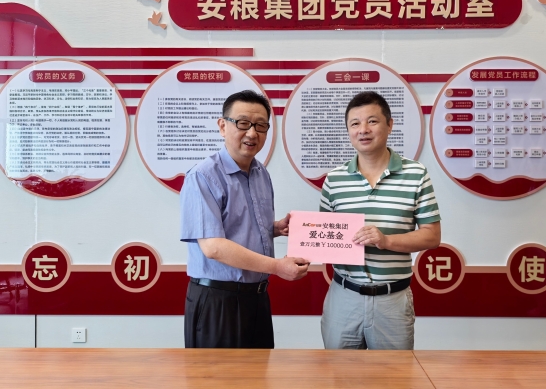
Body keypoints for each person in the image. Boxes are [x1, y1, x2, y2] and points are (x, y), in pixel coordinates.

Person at [180, 90, 309, 349]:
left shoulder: (261, 173)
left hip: (257, 298)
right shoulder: (203, 176)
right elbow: (213, 247)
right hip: (218, 300)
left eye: (260, 125)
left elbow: (237, 225)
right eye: (243, 123)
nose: (252, 133)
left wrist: (275, 228)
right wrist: (277, 266)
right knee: (217, 373)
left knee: (260, 371)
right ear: (222, 126)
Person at [319, 91, 441, 350]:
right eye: (355, 123)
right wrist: (300, 236)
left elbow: (432, 235)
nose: (363, 129)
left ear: (389, 124)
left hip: (392, 300)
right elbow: (324, 237)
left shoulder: (416, 174)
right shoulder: (334, 179)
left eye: (372, 121)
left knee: (393, 372)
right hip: (343, 297)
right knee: (338, 372)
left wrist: (386, 241)